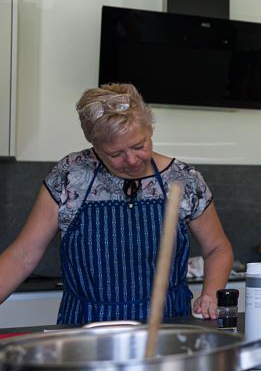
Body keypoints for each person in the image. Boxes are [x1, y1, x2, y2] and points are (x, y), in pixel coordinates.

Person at [0, 83, 233, 323]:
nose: (131, 160)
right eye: (115, 154)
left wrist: (210, 294)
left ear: (150, 129)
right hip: (86, 329)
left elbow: (217, 248)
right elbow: (23, 255)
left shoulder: (183, 180)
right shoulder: (70, 176)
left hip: (165, 326)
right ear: (95, 148)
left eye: (138, 146)